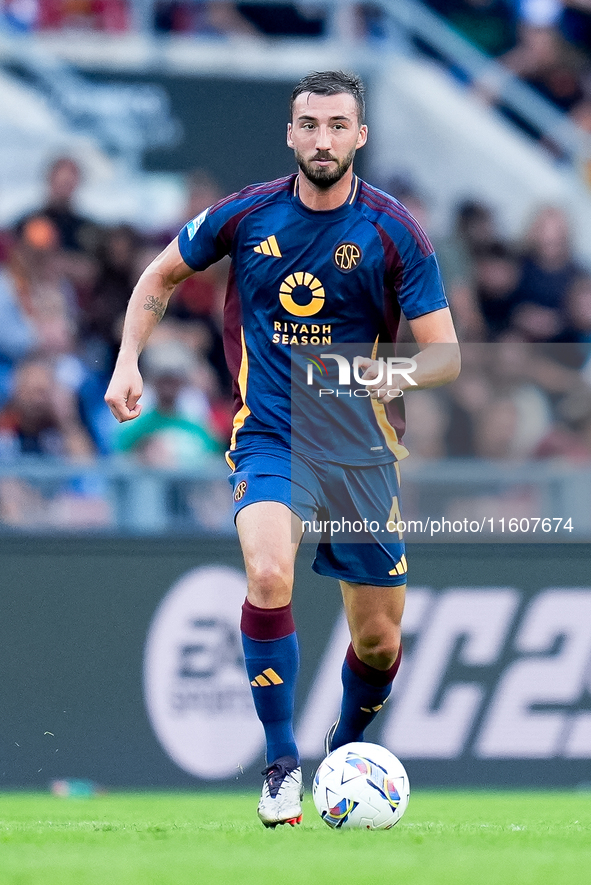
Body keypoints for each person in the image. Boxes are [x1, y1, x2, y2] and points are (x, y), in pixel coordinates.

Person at [105, 71, 460, 827]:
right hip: (270, 434)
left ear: (359, 136)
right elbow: (159, 275)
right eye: (309, 124)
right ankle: (279, 764)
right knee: (268, 573)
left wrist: (372, 371)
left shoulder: (396, 231)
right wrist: (128, 357)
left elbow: (445, 357)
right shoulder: (246, 214)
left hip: (361, 453)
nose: (322, 139)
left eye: (337, 125)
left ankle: (347, 749)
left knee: (376, 637)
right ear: (290, 133)